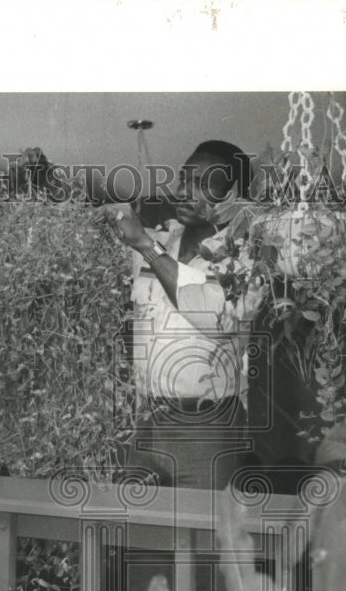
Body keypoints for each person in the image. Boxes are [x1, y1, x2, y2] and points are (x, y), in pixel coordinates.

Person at [101, 140, 261, 491]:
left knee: (204, 535)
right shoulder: (161, 238)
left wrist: (145, 244)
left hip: (208, 425)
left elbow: (216, 318)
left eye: (204, 182)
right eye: (185, 178)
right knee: (138, 535)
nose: (186, 190)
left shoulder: (250, 254)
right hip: (145, 419)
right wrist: (42, 179)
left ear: (234, 193)